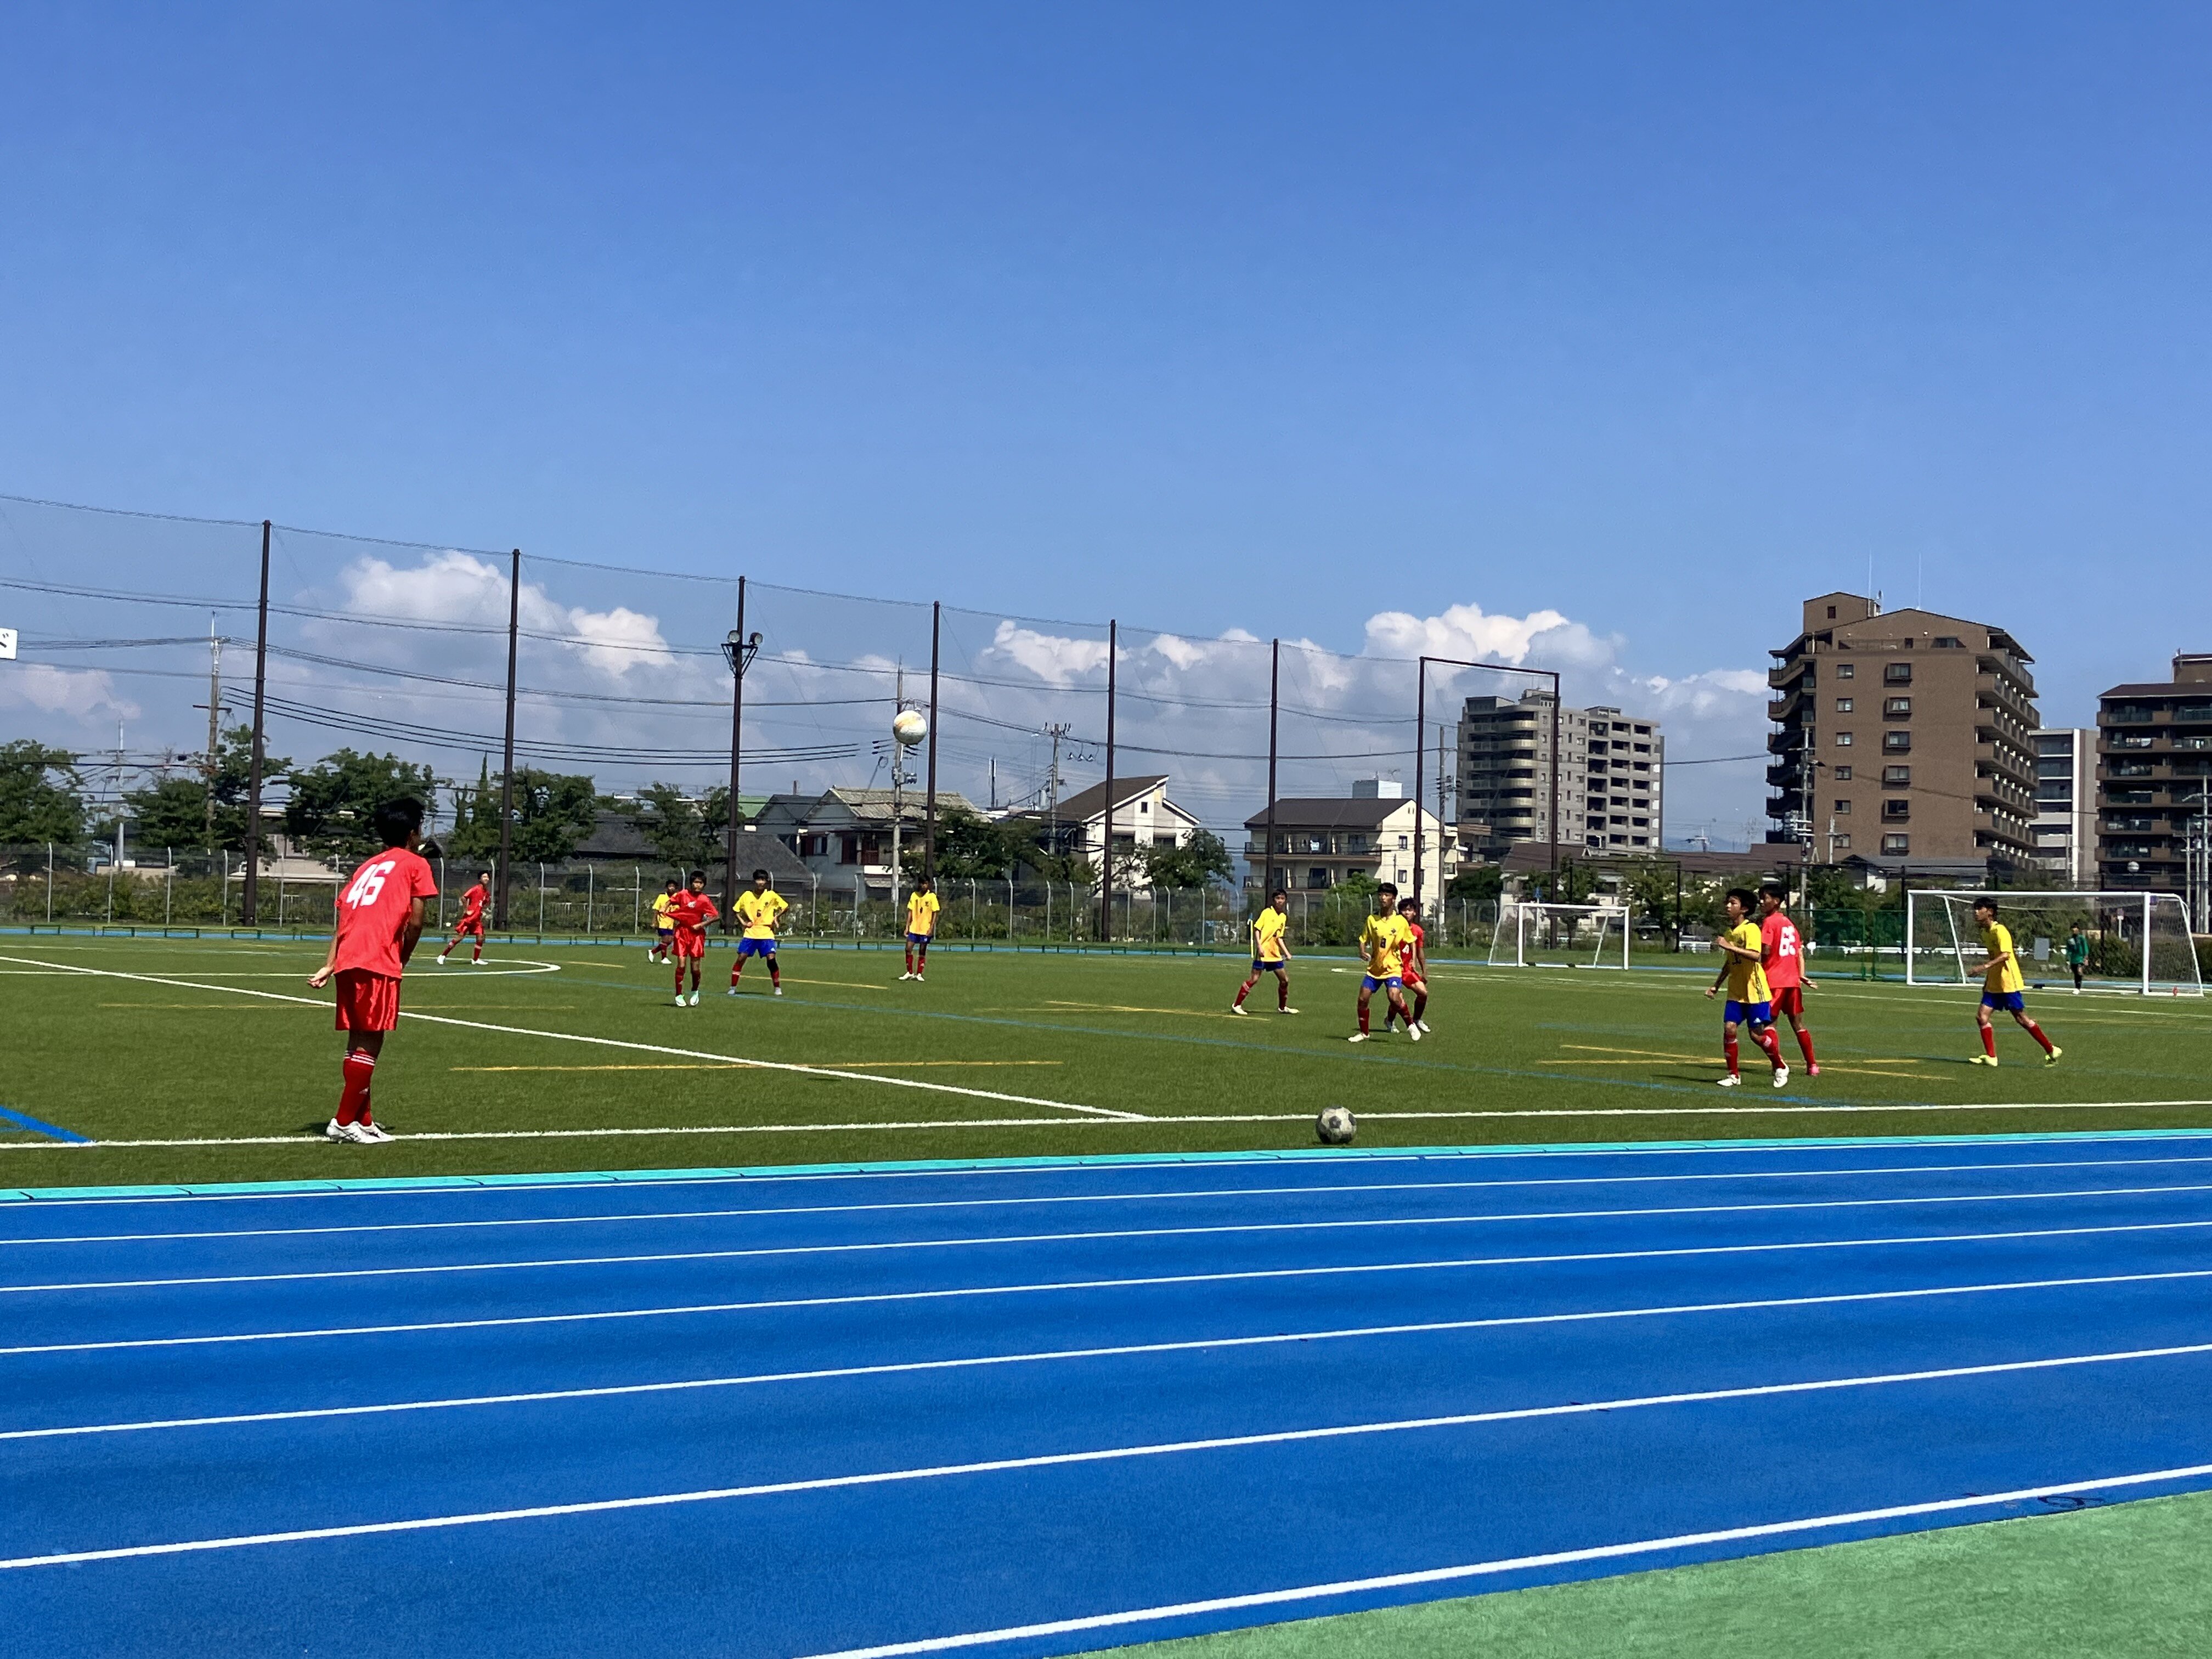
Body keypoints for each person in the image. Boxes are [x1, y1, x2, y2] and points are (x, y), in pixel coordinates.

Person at [307, 797, 439, 1143]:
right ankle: (341, 1121)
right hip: (376, 958)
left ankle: (361, 1121)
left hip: (350, 958)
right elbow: (416, 920)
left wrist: (330, 963)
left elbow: (345, 919)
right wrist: (403, 958)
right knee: (371, 1041)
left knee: (357, 1042)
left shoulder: (366, 866)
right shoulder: (414, 863)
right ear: (413, 833)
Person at [1706, 888, 1788, 1088]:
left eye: (1733, 903)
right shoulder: (1730, 932)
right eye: (1727, 902)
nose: (1728, 906)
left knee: (1756, 1035)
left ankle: (1779, 1066)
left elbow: (1755, 955)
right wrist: (1717, 985)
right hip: (1736, 990)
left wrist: (1729, 946)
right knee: (1729, 1028)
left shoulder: (1751, 929)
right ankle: (1733, 1075)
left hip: (1755, 990)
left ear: (1744, 909)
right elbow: (1729, 962)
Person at [1968, 898, 2061, 1066]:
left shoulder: (2000, 930)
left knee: (2021, 1019)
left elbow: (2006, 955)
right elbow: (1993, 956)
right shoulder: (1985, 933)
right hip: (1994, 984)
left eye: (1979, 908)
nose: (1976, 912)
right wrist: (1987, 981)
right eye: (1975, 908)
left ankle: (2051, 1049)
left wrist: (1983, 967)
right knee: (1981, 1017)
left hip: (2008, 982)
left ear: (1990, 912)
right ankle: (1992, 1057)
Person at [1756, 881, 1817, 1076]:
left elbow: (1765, 950)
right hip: (1792, 983)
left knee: (1769, 1024)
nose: (1761, 902)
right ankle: (1813, 1066)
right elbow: (1799, 952)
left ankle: (1778, 1064)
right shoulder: (1789, 924)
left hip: (1774, 981)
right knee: (1798, 1024)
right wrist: (1801, 975)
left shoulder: (1769, 922)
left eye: (1764, 898)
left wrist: (1752, 959)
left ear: (1776, 901)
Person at [1349, 882, 1419, 1043]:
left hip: (1393, 968)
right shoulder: (1372, 919)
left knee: (1394, 997)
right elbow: (1363, 939)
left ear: (1393, 899)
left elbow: (1411, 941)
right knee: (1362, 1000)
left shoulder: (1400, 921)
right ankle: (1364, 1033)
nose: (1383, 898)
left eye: (1387, 895)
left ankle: (1411, 1025)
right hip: (1374, 969)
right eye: (1381, 895)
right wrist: (1361, 951)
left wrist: (1413, 961)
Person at [1231, 888, 1297, 1014]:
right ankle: (1237, 1005)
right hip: (1263, 953)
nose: (1280, 901)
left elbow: (1279, 937)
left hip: (1274, 954)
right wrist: (1260, 947)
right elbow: (1257, 929)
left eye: (1282, 899)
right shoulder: (1267, 913)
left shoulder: (1283, 917)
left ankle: (1282, 1008)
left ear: (1285, 901)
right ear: (1274, 900)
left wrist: (1286, 952)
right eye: (1278, 898)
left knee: (1285, 981)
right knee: (1254, 979)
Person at [729, 867, 788, 996]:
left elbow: (785, 906)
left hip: (766, 932)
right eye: (758, 879)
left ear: (766, 881)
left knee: (771, 959)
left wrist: (776, 917)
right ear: (754, 881)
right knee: (741, 958)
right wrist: (744, 922)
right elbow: (736, 910)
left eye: (763, 880)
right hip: (751, 933)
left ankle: (777, 988)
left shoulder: (771, 895)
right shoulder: (747, 895)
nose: (761, 882)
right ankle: (733, 987)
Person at [668, 870, 718, 1006]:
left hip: (696, 935)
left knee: (695, 968)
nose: (698, 885)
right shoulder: (683, 894)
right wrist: (664, 909)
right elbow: (671, 901)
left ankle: (695, 990)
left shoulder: (704, 900)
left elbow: (716, 916)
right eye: (696, 882)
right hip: (682, 933)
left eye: (701, 883)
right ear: (691, 883)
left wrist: (701, 924)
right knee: (682, 964)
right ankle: (679, 994)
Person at [1384, 899, 1431, 1034]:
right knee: (1397, 999)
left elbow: (1420, 951)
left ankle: (1417, 1020)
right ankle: (1390, 1021)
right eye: (1404, 910)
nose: (1407, 913)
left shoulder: (1417, 931)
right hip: (1394, 969)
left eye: (1410, 910)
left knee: (1423, 993)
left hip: (1408, 969)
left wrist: (1424, 970)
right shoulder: (1393, 928)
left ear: (1415, 912)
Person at [435, 868, 492, 965]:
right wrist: (466, 910)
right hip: (469, 919)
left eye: (487, 877)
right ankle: (443, 956)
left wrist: (484, 907)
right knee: (460, 937)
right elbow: (464, 898)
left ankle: (475, 959)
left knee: (480, 937)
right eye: (484, 877)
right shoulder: (475, 889)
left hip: (477, 919)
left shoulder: (486, 892)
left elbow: (484, 903)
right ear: (480, 879)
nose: (486, 879)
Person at [902, 875, 940, 981]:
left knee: (922, 951)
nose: (924, 886)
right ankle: (909, 972)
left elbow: (935, 912)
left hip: (925, 928)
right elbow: (910, 911)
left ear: (928, 884)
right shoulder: (914, 895)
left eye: (926, 883)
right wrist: (907, 926)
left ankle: (919, 974)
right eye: (922, 883)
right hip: (914, 927)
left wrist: (931, 927)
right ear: (919, 884)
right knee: (908, 948)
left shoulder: (932, 897)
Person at [647, 877, 681, 964]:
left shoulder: (677, 898)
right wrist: (654, 921)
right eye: (670, 886)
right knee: (665, 939)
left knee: (670, 940)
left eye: (673, 886)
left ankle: (653, 952)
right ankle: (664, 958)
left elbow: (678, 911)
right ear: (667, 888)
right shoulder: (662, 897)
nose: (671, 888)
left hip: (671, 922)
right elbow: (656, 910)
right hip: (662, 921)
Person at [2066, 922, 2090, 994]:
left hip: (2080, 958)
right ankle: (2077, 986)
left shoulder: (2081, 938)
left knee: (2079, 972)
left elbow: (2085, 947)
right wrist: (2068, 958)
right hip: (2073, 959)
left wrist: (2086, 958)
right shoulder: (2070, 940)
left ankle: (2078, 988)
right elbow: (2069, 950)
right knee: (2076, 974)